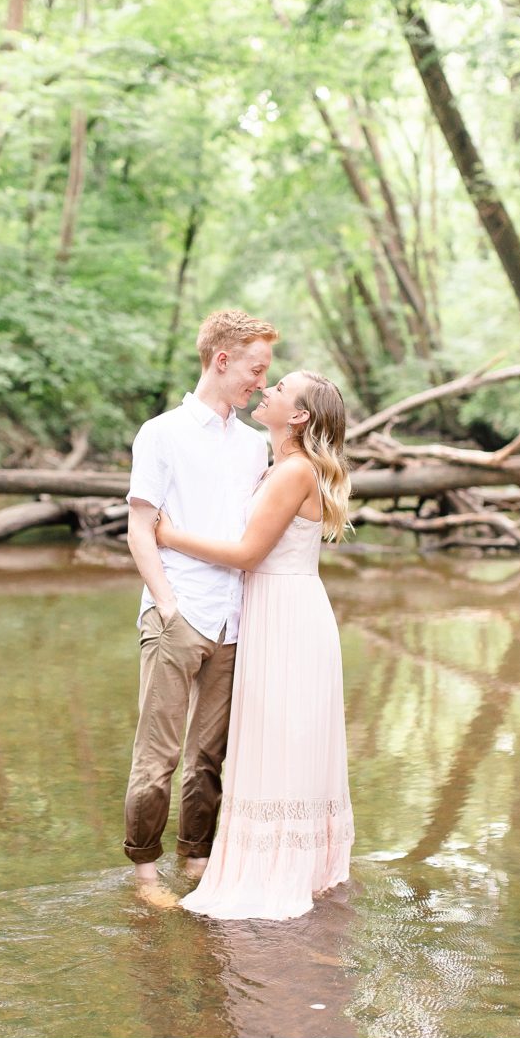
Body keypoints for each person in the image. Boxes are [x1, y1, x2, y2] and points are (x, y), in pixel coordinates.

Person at [155, 369, 355, 920]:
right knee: (274, 738)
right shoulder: (278, 468)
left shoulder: (293, 472)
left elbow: (247, 554)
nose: (266, 390)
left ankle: (277, 869)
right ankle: (293, 862)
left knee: (280, 738)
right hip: (274, 611)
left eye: (280, 388)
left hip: (288, 618)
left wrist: (166, 535)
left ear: (298, 416)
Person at [124, 309, 279, 905]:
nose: (261, 383)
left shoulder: (253, 446)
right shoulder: (160, 433)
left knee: (209, 757)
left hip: (233, 622)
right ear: (221, 359)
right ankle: (143, 873)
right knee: (157, 755)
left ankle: (196, 860)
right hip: (178, 614)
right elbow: (142, 529)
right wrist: (166, 605)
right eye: (255, 369)